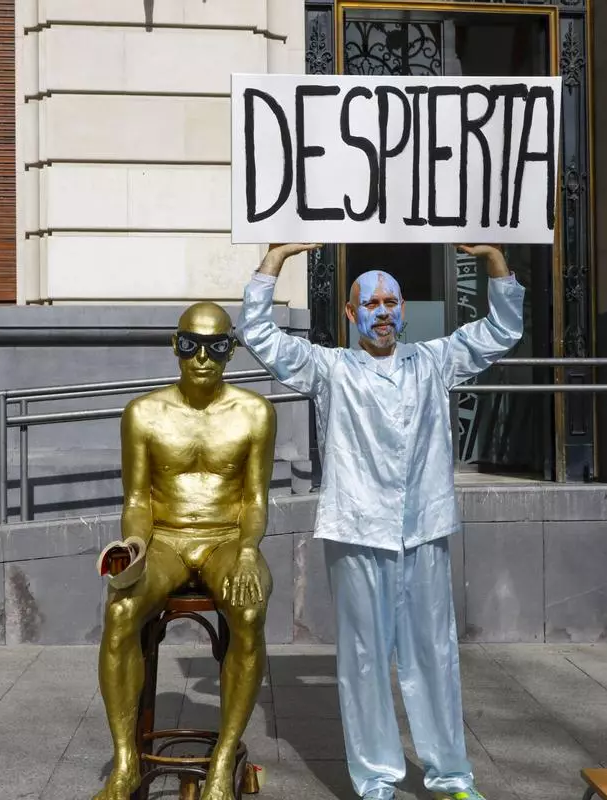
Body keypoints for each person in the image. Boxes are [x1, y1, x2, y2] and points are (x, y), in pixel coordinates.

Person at [236, 243, 525, 800]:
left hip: (424, 527)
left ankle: (451, 777)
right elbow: (261, 336)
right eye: (371, 303)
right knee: (364, 658)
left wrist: (494, 259)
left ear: (403, 309)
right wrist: (275, 261)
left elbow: (501, 331)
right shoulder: (331, 369)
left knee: (434, 653)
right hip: (356, 528)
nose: (383, 312)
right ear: (351, 313)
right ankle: (376, 780)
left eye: (391, 302)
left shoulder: (435, 360)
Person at [92, 301, 277, 800]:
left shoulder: (255, 413)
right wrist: (134, 547)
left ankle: (223, 760)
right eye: (191, 345)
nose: (202, 358)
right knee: (120, 612)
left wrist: (248, 550)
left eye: (215, 347)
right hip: (165, 540)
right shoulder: (143, 414)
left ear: (232, 350)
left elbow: (255, 500)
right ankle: (125, 761)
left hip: (227, 538)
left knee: (250, 610)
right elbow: (137, 500)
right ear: (176, 346)